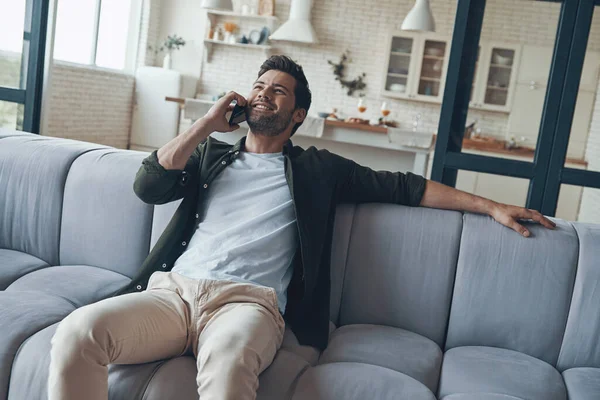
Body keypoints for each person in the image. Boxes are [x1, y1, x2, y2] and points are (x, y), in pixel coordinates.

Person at [48, 55, 556, 400]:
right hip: (172, 295)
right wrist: (205, 124)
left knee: (227, 373)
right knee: (78, 333)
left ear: (299, 115)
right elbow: (149, 185)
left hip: (247, 305)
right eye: (259, 87)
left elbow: (407, 186)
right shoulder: (210, 157)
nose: (264, 95)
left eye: (279, 92)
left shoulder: (319, 169)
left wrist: (490, 206)